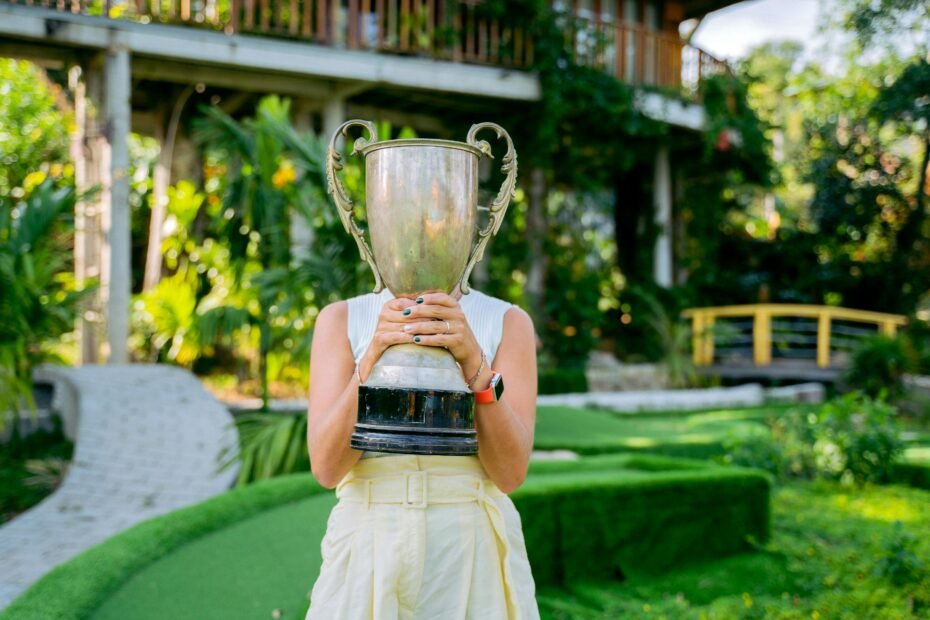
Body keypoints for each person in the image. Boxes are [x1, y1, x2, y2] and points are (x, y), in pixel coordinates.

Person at [305, 284, 540, 619]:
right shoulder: (341, 318)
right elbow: (327, 469)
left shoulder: (508, 321)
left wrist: (475, 361)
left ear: (479, 229)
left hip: (473, 543)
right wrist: (373, 354)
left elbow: (510, 473)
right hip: (367, 541)